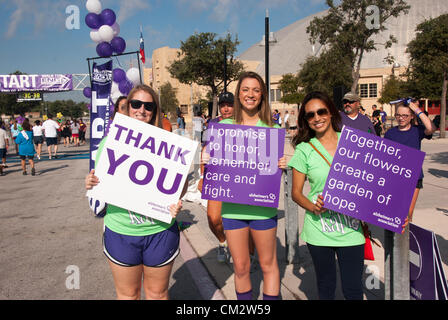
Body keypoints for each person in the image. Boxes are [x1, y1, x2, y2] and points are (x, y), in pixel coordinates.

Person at [85, 84, 185, 300]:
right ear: (127, 107)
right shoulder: (108, 144)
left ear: (155, 110)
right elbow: (99, 184)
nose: (142, 110)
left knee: (157, 295)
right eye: (136, 104)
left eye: (148, 106)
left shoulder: (170, 145)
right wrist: (90, 182)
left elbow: (180, 188)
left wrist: (177, 200)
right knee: (128, 295)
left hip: (160, 231)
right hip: (121, 231)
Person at [205, 71, 286, 300]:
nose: (250, 94)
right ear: (239, 95)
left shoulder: (273, 131)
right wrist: (206, 156)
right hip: (233, 211)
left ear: (262, 96)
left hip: (262, 210)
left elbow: (274, 173)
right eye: (245, 90)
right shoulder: (223, 127)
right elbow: (214, 163)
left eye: (256, 90)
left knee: (268, 265)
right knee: (240, 268)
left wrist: (283, 163)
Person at [288, 91, 366, 300]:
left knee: (353, 289)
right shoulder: (304, 149)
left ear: (331, 112)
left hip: (351, 229)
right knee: (326, 287)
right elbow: (296, 193)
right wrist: (313, 206)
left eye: (321, 111)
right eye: (310, 115)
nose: (316, 118)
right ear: (306, 120)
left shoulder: (353, 142)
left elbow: (374, 182)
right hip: (319, 230)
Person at [198, 91, 256, 263]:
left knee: (246, 220)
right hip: (216, 178)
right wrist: (202, 175)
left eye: (229, 105)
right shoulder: (212, 125)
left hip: (241, 180)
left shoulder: (244, 122)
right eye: (222, 105)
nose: (226, 108)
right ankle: (223, 242)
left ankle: (250, 255)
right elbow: (204, 149)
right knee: (213, 218)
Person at [384, 100, 436, 224]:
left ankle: (406, 241)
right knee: (393, 212)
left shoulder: (417, 131)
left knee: (407, 214)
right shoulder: (390, 133)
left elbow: (431, 128)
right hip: (395, 177)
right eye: (398, 115)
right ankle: (393, 240)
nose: (401, 118)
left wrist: (415, 108)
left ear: (411, 116)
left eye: (405, 115)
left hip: (414, 176)